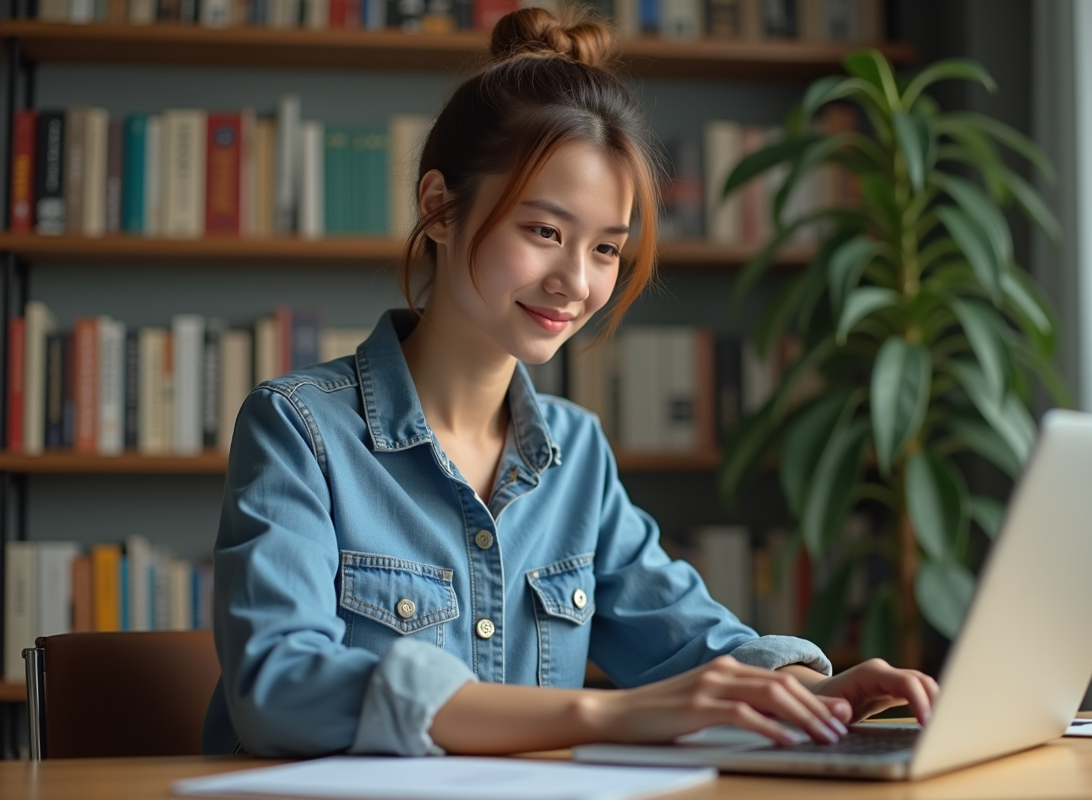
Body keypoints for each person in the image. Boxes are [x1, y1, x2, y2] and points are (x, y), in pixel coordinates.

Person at [201, 5, 938, 758]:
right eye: (545, 232)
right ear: (439, 208)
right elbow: (279, 689)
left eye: (606, 249)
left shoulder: (575, 452)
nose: (576, 284)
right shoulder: (299, 428)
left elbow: (687, 642)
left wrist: (812, 691)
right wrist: (605, 715)